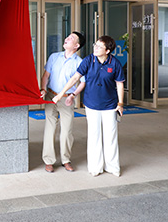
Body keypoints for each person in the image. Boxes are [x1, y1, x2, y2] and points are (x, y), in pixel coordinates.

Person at [53, 35, 125, 177]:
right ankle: (95, 167)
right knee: (94, 135)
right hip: (91, 104)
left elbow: (119, 83)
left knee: (110, 136)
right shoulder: (88, 60)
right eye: (95, 45)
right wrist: (61, 94)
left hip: (109, 105)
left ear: (108, 50)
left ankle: (112, 167)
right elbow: (75, 78)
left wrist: (120, 103)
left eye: (99, 46)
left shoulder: (114, 63)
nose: (95, 48)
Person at [40, 32, 86, 173]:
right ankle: (49, 161)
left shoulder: (80, 62)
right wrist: (42, 89)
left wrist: (73, 95)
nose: (67, 39)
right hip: (51, 96)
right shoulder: (54, 57)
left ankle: (66, 160)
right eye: (68, 36)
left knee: (66, 132)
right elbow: (46, 75)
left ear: (77, 45)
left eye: (71, 38)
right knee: (50, 128)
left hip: (67, 99)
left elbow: (82, 83)